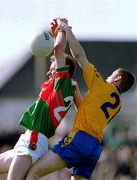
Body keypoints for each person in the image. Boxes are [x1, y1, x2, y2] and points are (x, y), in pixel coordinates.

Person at [25, 18, 135, 180]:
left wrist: (67, 30)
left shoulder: (102, 86)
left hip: (80, 140)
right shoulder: (118, 103)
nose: (108, 76)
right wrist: (76, 93)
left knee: (34, 172)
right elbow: (87, 110)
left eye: (112, 74)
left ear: (117, 78)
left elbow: (79, 56)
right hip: (95, 148)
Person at [0, 18, 82, 180]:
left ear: (63, 71)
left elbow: (59, 49)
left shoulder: (63, 84)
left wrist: (62, 29)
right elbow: (82, 109)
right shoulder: (69, 88)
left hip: (34, 140)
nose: (49, 72)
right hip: (32, 140)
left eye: (53, 69)